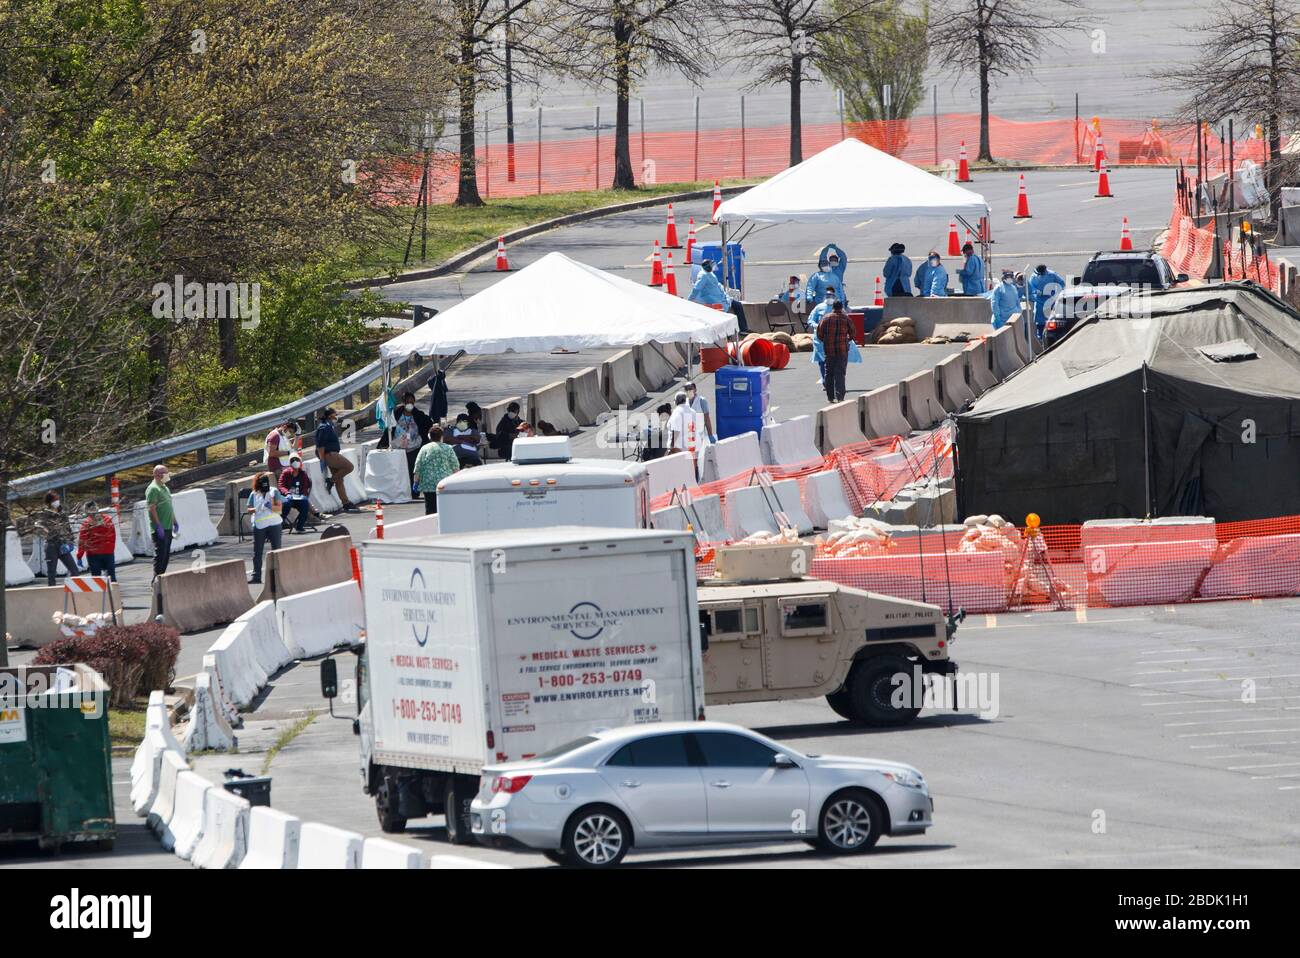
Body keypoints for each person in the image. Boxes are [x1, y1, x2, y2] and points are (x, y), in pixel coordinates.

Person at [27, 492, 78, 585]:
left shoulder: (62, 514)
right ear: (49, 502)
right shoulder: (44, 515)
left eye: (57, 499)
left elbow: (68, 529)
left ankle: (75, 589)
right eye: (54, 500)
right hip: (51, 546)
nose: (57, 502)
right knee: (51, 572)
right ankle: (52, 591)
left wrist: (70, 542)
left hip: (63, 545)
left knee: (74, 570)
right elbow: (40, 530)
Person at [314, 408, 358, 512]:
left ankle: (345, 503)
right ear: (330, 416)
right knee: (349, 466)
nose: (336, 416)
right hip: (329, 455)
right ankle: (331, 480)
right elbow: (320, 445)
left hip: (332, 454)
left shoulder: (329, 426)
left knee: (340, 480)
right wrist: (322, 460)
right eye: (335, 414)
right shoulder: (324, 427)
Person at [688, 259, 749, 333]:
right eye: (712, 265)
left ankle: (744, 329)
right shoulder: (703, 276)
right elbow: (696, 289)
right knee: (727, 315)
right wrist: (689, 300)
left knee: (738, 305)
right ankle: (737, 331)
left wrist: (726, 292)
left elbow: (718, 285)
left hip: (721, 298)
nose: (714, 267)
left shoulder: (710, 273)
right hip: (714, 300)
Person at [246, 472, 285, 585]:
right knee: (257, 552)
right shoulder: (254, 493)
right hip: (260, 525)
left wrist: (269, 506)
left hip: (274, 524)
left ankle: (278, 576)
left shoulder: (274, 491)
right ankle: (256, 576)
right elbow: (249, 509)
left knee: (276, 550)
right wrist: (256, 508)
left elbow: (279, 509)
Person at [412, 425, 460, 515]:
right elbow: (455, 466)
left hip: (428, 483)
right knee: (445, 509)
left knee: (430, 509)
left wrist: (416, 482)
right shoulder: (448, 448)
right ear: (442, 436)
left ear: (429, 436)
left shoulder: (424, 448)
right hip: (444, 483)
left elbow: (418, 466)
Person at [817, 300, 853, 403]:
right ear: (842, 308)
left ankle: (830, 397)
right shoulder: (846, 318)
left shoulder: (825, 318)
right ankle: (840, 396)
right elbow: (853, 333)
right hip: (842, 350)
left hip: (829, 350)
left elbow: (819, 334)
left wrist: (826, 340)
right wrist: (846, 340)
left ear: (832, 307)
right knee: (840, 373)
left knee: (829, 373)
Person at [146, 464, 178, 579]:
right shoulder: (153, 489)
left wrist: (175, 522)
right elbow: (152, 508)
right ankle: (156, 581)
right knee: (160, 556)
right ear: (157, 475)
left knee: (166, 556)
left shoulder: (165, 487)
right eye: (164, 473)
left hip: (168, 526)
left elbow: (169, 506)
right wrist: (158, 525)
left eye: (167, 472)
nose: (166, 475)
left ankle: (162, 578)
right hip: (160, 528)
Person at [76, 502, 118, 582]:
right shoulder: (107, 520)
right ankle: (113, 593)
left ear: (87, 511)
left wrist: (79, 556)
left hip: (93, 554)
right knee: (112, 577)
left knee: (96, 580)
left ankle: (98, 594)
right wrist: (111, 549)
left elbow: (82, 541)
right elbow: (113, 536)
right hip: (108, 553)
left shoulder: (86, 523)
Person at [1027, 263, 1067, 336]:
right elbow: (1030, 286)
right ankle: (1040, 337)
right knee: (1040, 321)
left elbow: (1062, 284)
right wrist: (1036, 291)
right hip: (1039, 301)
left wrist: (1056, 291)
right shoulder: (1034, 276)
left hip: (1051, 300)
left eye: (1042, 274)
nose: (1040, 275)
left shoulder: (1052, 275)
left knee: (1052, 320)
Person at [277, 455, 313, 533]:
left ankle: (299, 526)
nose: (295, 462)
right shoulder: (285, 473)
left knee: (305, 504)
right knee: (286, 504)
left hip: (299, 497)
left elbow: (305, 486)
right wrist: (287, 493)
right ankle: (279, 524)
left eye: (297, 460)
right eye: (293, 460)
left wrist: (303, 494)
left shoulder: (303, 474)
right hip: (288, 497)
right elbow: (281, 485)